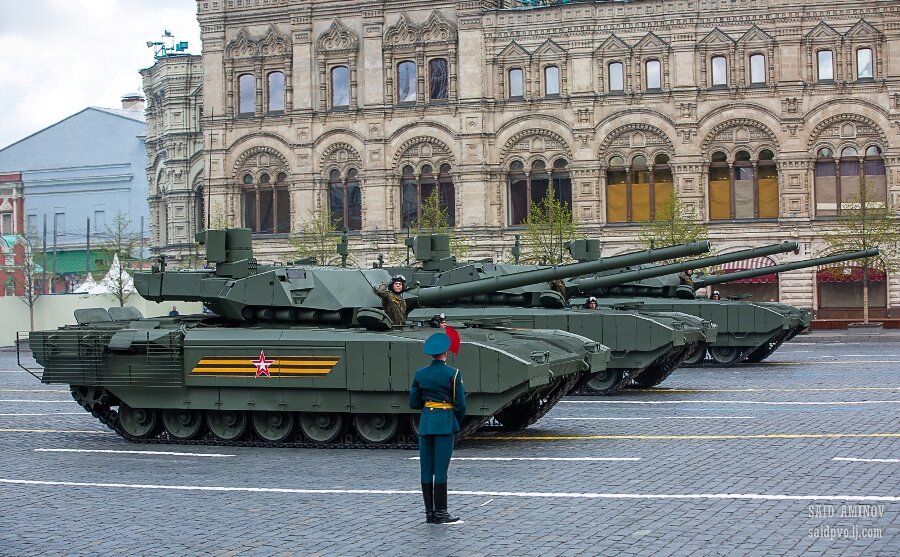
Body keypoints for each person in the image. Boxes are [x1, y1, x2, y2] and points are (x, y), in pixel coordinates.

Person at [409, 332, 467, 525]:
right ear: (445, 353)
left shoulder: (420, 373)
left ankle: (429, 513)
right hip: (444, 424)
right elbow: (460, 405)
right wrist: (453, 420)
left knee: (426, 470)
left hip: (426, 424)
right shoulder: (453, 373)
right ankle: (441, 512)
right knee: (441, 470)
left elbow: (414, 402)